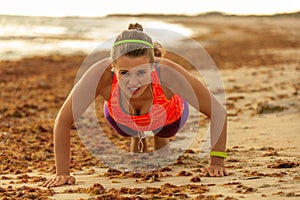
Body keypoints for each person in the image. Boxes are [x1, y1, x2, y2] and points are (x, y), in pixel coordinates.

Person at [43, 23, 228, 188]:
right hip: (122, 118)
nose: (133, 82)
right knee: (138, 161)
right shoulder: (99, 75)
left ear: (153, 66)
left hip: (168, 117)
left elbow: (218, 112)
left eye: (141, 72)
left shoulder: (169, 74)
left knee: (163, 142)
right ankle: (136, 133)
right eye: (124, 73)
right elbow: (63, 120)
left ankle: (160, 137)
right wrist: (62, 173)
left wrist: (217, 162)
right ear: (113, 67)